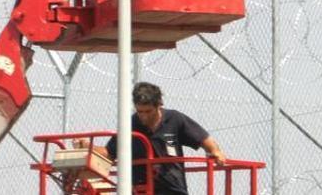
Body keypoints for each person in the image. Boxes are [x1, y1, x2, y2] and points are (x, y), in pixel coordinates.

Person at [96, 82, 226, 195]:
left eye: (148, 111)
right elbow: (109, 152)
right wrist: (89, 147)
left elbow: (203, 139)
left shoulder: (174, 119)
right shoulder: (130, 124)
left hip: (172, 189)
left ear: (159, 105)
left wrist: (215, 151)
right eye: (140, 111)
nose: (144, 116)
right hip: (141, 189)